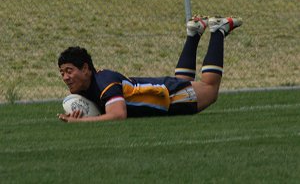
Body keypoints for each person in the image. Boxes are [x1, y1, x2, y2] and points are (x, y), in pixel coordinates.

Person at [57, 16, 242, 122]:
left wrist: (82, 121)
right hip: (165, 91)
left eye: (69, 70)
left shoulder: (104, 82)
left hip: (170, 97)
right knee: (188, 83)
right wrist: (81, 114)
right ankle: (193, 33)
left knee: (210, 89)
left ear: (86, 69)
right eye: (62, 73)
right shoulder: (91, 86)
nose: (65, 77)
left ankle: (218, 30)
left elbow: (118, 114)